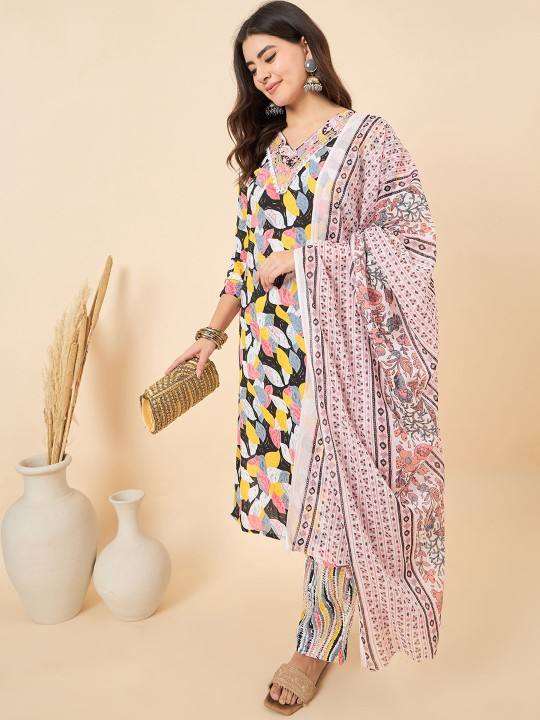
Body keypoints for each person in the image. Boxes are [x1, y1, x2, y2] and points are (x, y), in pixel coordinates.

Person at [165, 1, 445, 714]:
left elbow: (410, 240)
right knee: (311, 498)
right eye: (250, 67)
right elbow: (245, 259)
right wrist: (211, 334)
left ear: (306, 48)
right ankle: (324, 630)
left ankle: (313, 644)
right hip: (275, 355)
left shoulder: (366, 139)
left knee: (342, 495)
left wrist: (304, 258)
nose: (262, 74)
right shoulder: (264, 155)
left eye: (270, 55)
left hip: (344, 353)